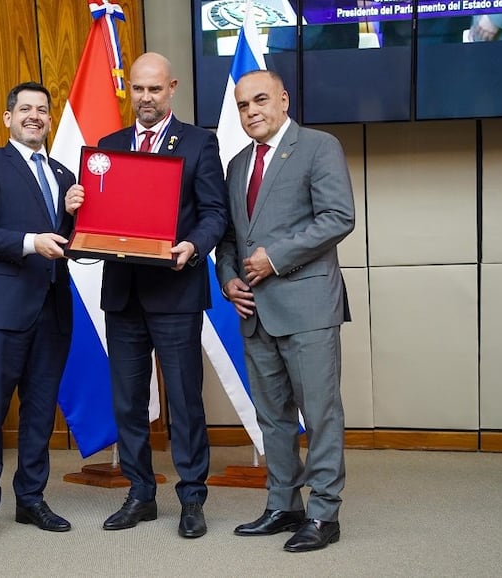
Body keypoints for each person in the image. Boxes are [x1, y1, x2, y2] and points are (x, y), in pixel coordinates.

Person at [66, 52, 228, 539]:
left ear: (171, 88)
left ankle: (193, 498)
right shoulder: (108, 148)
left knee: (184, 400)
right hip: (124, 297)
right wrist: (76, 207)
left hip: (176, 292)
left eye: (154, 90)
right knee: (128, 402)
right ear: (128, 91)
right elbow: (98, 222)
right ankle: (140, 493)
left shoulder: (199, 143)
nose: (145, 99)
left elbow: (215, 213)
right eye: (138, 89)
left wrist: (194, 245)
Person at [215, 70, 354, 552]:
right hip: (253, 310)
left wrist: (274, 257)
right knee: (272, 417)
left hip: (308, 307)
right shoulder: (235, 165)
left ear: (283, 100)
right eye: (242, 105)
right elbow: (230, 238)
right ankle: (283, 504)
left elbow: (338, 217)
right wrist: (228, 277)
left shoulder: (318, 146)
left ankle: (323, 514)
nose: (251, 111)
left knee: (319, 414)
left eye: (260, 100)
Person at [0, 81, 81, 547]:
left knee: (38, 415)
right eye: (25, 109)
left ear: (50, 120)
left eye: (43, 110)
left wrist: (74, 216)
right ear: (8, 117)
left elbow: (70, 243)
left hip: (52, 310)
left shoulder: (65, 175)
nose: (35, 116)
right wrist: (31, 241)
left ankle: (30, 499)